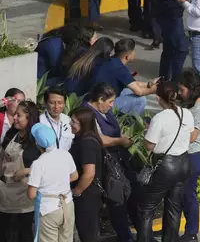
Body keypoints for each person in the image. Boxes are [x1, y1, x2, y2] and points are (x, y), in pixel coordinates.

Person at [139, 81, 194, 242]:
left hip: (165, 167)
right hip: (184, 163)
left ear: (158, 98)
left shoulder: (159, 118)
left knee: (146, 208)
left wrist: (145, 135)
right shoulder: (187, 113)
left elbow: (149, 146)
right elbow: (190, 136)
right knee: (174, 208)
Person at [85, 83, 141, 242]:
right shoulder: (88, 113)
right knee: (117, 203)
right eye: (110, 102)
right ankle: (126, 238)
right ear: (100, 99)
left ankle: (143, 234)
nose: (112, 105)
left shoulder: (105, 111)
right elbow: (100, 139)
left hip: (120, 160)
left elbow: (115, 130)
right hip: (107, 165)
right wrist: (120, 141)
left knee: (133, 197)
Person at [27, 123, 78, 242]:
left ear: (37, 144)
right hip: (67, 204)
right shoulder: (66, 154)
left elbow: (31, 194)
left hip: (48, 209)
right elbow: (75, 176)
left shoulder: (38, 163)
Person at [177, 70, 200, 242]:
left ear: (191, 88)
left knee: (188, 196)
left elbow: (192, 136)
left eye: (182, 90)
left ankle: (191, 233)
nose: (180, 94)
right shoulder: (190, 105)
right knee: (180, 195)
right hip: (184, 155)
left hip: (192, 156)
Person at [0, 101, 40, 242]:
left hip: (24, 196)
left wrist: (27, 170)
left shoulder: (38, 141)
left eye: (19, 115)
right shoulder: (11, 135)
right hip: (5, 192)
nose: (15, 117)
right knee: (4, 232)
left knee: (24, 232)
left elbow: (46, 166)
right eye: (15, 114)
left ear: (29, 119)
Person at [89, 38, 159, 115]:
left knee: (128, 91)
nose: (135, 53)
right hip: (103, 103)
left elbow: (131, 83)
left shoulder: (112, 60)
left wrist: (149, 84)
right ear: (127, 56)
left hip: (98, 96)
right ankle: (130, 123)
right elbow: (139, 91)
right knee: (141, 100)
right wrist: (153, 90)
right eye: (133, 51)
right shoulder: (120, 68)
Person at [69, 107, 103, 242]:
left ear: (83, 123)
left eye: (74, 122)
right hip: (89, 195)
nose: (70, 124)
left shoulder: (86, 143)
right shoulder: (85, 138)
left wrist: (76, 191)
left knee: (87, 234)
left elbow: (89, 174)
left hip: (86, 196)